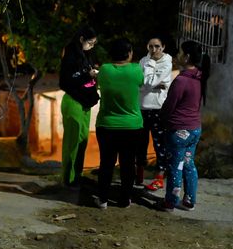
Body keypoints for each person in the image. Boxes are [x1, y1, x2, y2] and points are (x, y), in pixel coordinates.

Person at [159, 41, 211, 212]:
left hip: (179, 131)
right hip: (194, 129)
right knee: (188, 164)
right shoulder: (199, 75)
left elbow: (169, 106)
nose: (177, 56)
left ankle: (170, 202)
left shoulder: (181, 80)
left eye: (180, 52)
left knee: (176, 166)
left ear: (187, 56)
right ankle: (189, 200)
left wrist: (162, 121)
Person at [94, 38, 144, 208]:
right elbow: (142, 83)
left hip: (107, 125)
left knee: (106, 163)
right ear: (129, 54)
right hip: (131, 126)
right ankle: (124, 199)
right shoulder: (136, 70)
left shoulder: (105, 70)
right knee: (128, 164)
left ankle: (102, 199)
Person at [58, 26, 100, 189]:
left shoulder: (86, 55)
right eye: (90, 43)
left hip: (85, 103)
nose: (92, 46)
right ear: (81, 39)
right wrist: (86, 75)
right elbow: (66, 81)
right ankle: (68, 178)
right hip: (74, 102)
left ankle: (78, 176)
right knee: (72, 142)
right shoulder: (70, 55)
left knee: (82, 140)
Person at [137, 37, 173, 190]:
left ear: (163, 47)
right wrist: (157, 84)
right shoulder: (142, 60)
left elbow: (149, 83)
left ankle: (159, 176)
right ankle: (138, 174)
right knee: (140, 143)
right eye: (150, 46)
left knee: (160, 144)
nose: (153, 49)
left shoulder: (167, 62)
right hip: (142, 107)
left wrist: (151, 82)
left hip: (158, 108)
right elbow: (141, 83)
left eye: (157, 46)